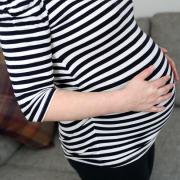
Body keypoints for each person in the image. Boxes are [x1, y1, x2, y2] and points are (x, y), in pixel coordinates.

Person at [0, 0, 179, 180]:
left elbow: (114, 26)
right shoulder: (20, 4)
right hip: (109, 147)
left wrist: (146, 52)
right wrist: (126, 100)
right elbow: (35, 103)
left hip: (142, 134)